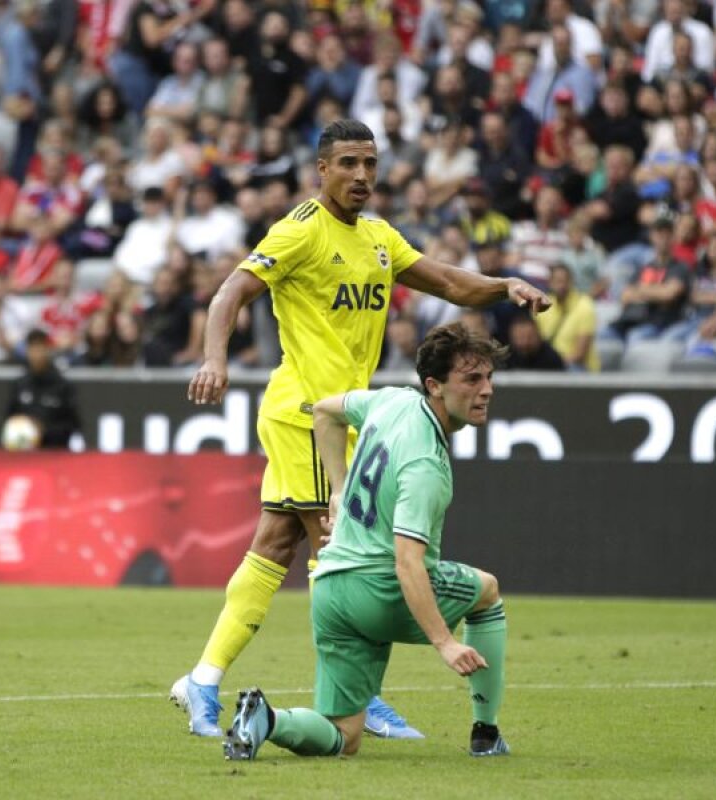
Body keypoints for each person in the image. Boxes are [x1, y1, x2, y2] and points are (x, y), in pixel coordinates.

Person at [172, 119, 549, 740]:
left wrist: (504, 286)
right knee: (341, 554)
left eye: (370, 163)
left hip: (347, 416)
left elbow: (450, 282)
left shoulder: (378, 237)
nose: (362, 175)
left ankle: (205, 681)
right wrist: (214, 358)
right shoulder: (300, 230)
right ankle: (356, 697)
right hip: (307, 413)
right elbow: (229, 294)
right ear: (322, 169)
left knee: (277, 545)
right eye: (348, 163)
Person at [222, 322, 512, 761]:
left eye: (488, 377)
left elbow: (324, 411)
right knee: (486, 591)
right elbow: (407, 564)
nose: (486, 389)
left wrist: (338, 490)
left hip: (331, 589)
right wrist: (445, 642)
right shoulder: (425, 464)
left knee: (345, 736)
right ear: (434, 385)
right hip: (379, 591)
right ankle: (486, 734)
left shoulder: (392, 400)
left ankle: (268, 719)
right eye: (471, 379)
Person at [4, 328, 81, 449]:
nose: (36, 355)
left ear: (48, 350)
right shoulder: (20, 384)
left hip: (54, 451)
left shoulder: (62, 385)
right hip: (24, 451)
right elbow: (9, 418)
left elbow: (73, 425)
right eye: (33, 349)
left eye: (40, 349)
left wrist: (44, 431)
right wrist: (22, 426)